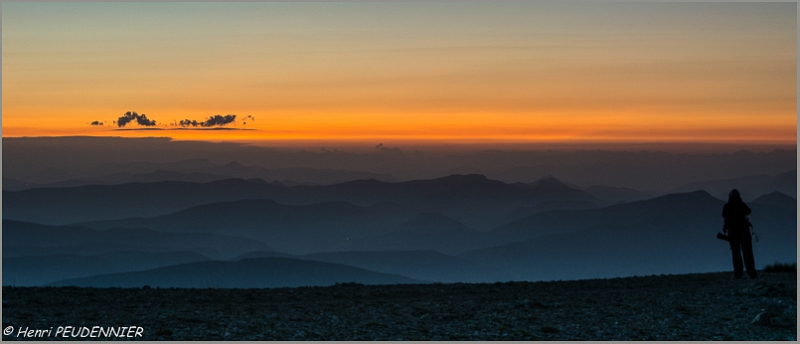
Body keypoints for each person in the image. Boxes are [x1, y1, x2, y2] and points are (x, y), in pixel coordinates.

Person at [721, 189, 757, 279]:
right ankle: (751, 273)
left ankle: (738, 273)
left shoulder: (727, 206)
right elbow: (748, 211)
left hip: (733, 234)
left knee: (736, 254)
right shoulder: (741, 205)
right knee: (747, 253)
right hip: (744, 232)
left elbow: (723, 215)